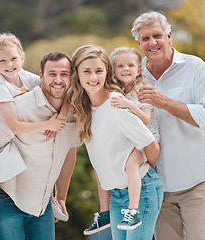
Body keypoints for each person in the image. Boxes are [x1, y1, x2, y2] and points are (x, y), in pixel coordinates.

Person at [0, 51, 80, 240]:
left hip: (42, 205)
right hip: (5, 200)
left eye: (64, 74)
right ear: (41, 76)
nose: (58, 80)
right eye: (52, 74)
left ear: (72, 77)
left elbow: (69, 153)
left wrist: (60, 197)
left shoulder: (74, 113)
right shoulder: (18, 108)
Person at [132, 11, 205, 240]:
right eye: (145, 38)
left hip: (197, 180)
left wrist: (165, 103)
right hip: (155, 185)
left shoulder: (195, 67)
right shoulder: (133, 74)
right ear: (138, 43)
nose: (152, 42)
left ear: (169, 36)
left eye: (157, 35)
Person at [69, 44, 163, 240]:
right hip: (115, 195)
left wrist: (144, 168)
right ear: (77, 74)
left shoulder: (114, 102)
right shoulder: (84, 109)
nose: (93, 77)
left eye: (99, 71)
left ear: (107, 73)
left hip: (141, 189)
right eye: (86, 71)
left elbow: (151, 145)